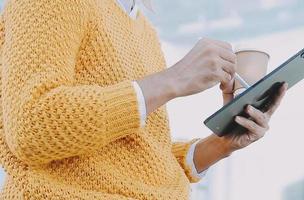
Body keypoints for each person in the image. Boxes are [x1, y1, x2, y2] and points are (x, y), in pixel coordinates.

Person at [0, 0, 287, 199]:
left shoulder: (142, 28)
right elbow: (30, 123)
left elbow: (136, 157)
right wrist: (172, 80)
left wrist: (220, 144)